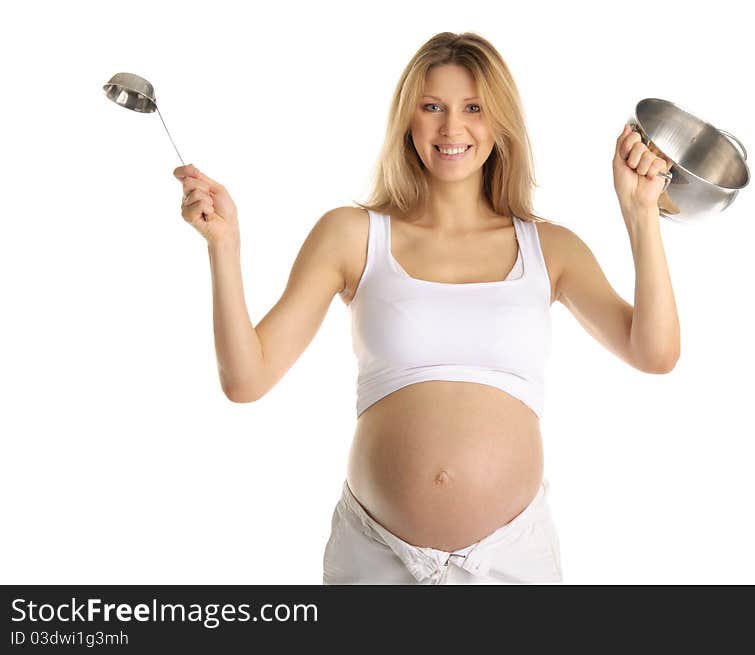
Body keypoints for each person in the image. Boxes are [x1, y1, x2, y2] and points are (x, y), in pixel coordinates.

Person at [172, 31, 680, 585]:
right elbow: (246, 380)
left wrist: (640, 216)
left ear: (501, 122)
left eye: (473, 108)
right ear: (407, 121)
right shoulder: (352, 235)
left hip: (511, 562)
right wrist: (225, 246)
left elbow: (653, 353)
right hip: (376, 559)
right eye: (432, 106)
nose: (451, 128)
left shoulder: (549, 248)